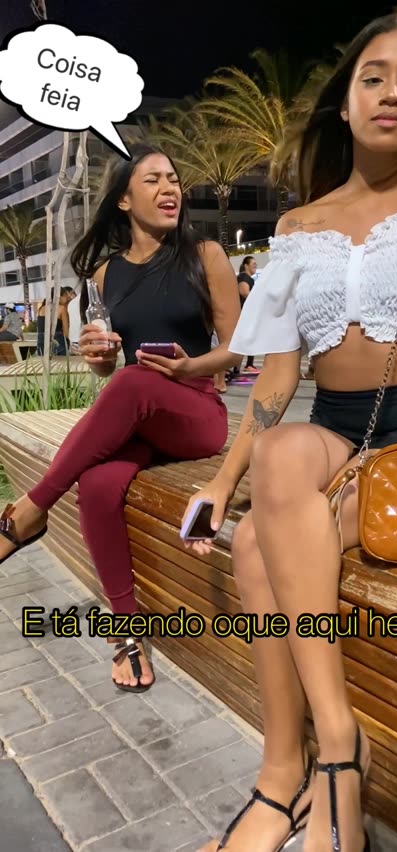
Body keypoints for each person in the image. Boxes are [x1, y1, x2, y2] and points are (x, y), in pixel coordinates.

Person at [182, 15, 397, 852]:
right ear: (343, 104)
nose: (393, 93)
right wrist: (220, 483)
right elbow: (278, 379)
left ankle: (298, 769)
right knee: (277, 453)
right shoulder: (296, 228)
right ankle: (326, 750)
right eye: (373, 77)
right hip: (335, 433)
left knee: (255, 548)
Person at [0, 143, 241, 693]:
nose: (170, 188)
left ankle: (29, 512)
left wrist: (189, 367)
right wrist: (99, 358)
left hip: (196, 411)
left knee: (134, 382)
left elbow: (237, 348)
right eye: (153, 180)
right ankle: (126, 633)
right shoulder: (107, 274)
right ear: (125, 200)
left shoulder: (204, 254)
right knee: (97, 484)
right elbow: (111, 369)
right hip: (139, 413)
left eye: (173, 178)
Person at [36, 287, 76, 356]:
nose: (67, 297)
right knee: (61, 362)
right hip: (58, 341)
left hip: (42, 342)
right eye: (65, 295)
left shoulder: (41, 308)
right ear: (59, 297)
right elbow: (66, 332)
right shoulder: (61, 308)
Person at [237, 255, 258, 372]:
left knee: (249, 338)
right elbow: (244, 292)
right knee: (245, 339)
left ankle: (247, 365)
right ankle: (244, 366)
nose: (255, 265)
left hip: (246, 313)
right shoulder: (244, 277)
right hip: (242, 314)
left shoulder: (248, 278)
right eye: (253, 264)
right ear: (246, 265)